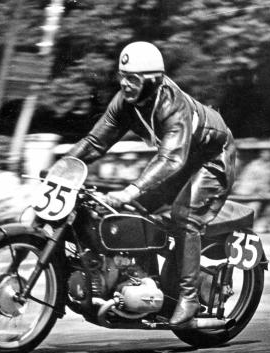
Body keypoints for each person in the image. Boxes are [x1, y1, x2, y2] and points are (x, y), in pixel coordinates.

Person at [67, 41, 238, 326]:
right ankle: (142, 282)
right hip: (182, 161)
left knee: (185, 216)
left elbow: (171, 159)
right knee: (130, 212)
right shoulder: (124, 102)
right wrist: (60, 169)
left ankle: (189, 298)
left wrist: (130, 189)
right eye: (122, 76)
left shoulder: (172, 104)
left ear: (153, 80)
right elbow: (95, 143)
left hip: (212, 160)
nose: (125, 84)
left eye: (132, 79)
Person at [232, 149, 270, 232]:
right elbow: (245, 178)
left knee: (260, 208)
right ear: (261, 154)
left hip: (262, 193)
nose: (268, 155)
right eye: (266, 153)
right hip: (247, 191)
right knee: (247, 209)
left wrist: (266, 189)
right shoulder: (253, 165)